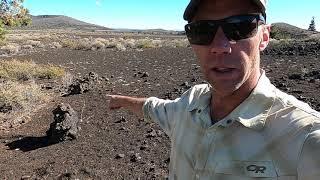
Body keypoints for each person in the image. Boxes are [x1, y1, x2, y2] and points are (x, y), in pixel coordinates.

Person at [108, 0, 320, 179]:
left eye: (240, 26)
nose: (220, 46)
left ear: (264, 37)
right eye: (202, 30)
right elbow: (153, 108)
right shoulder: (189, 106)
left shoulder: (305, 137)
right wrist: (120, 100)